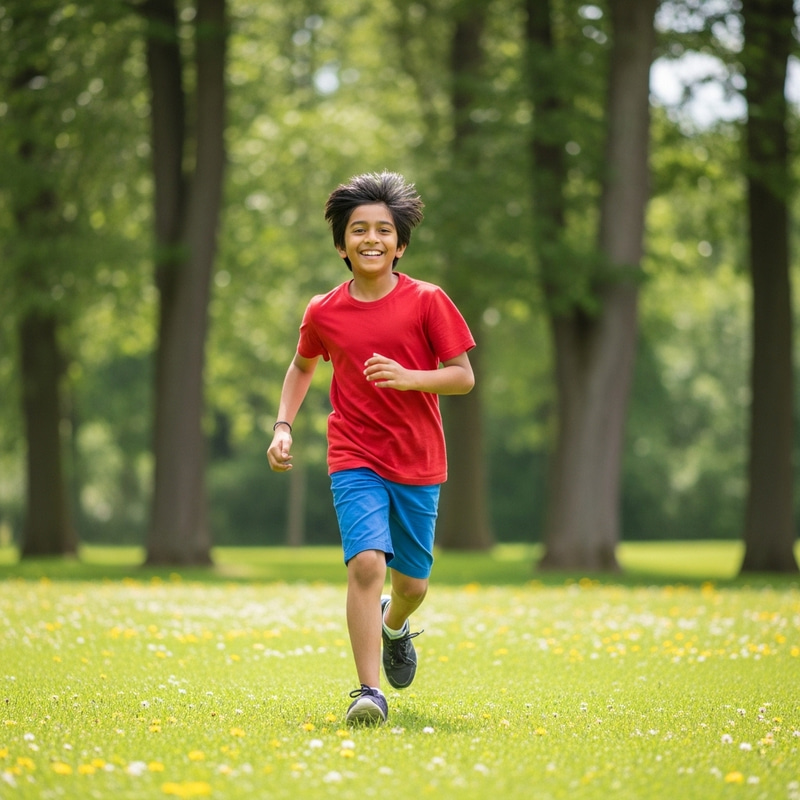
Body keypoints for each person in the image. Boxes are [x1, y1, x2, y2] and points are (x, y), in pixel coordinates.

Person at [266, 171, 475, 725]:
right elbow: (302, 364)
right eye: (359, 229)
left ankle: (395, 625)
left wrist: (411, 378)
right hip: (354, 455)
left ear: (401, 244)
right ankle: (367, 692)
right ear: (341, 243)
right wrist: (283, 424)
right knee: (364, 565)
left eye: (384, 229)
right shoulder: (324, 310)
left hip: (418, 459)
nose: (371, 239)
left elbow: (462, 377)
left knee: (413, 584)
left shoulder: (428, 301)